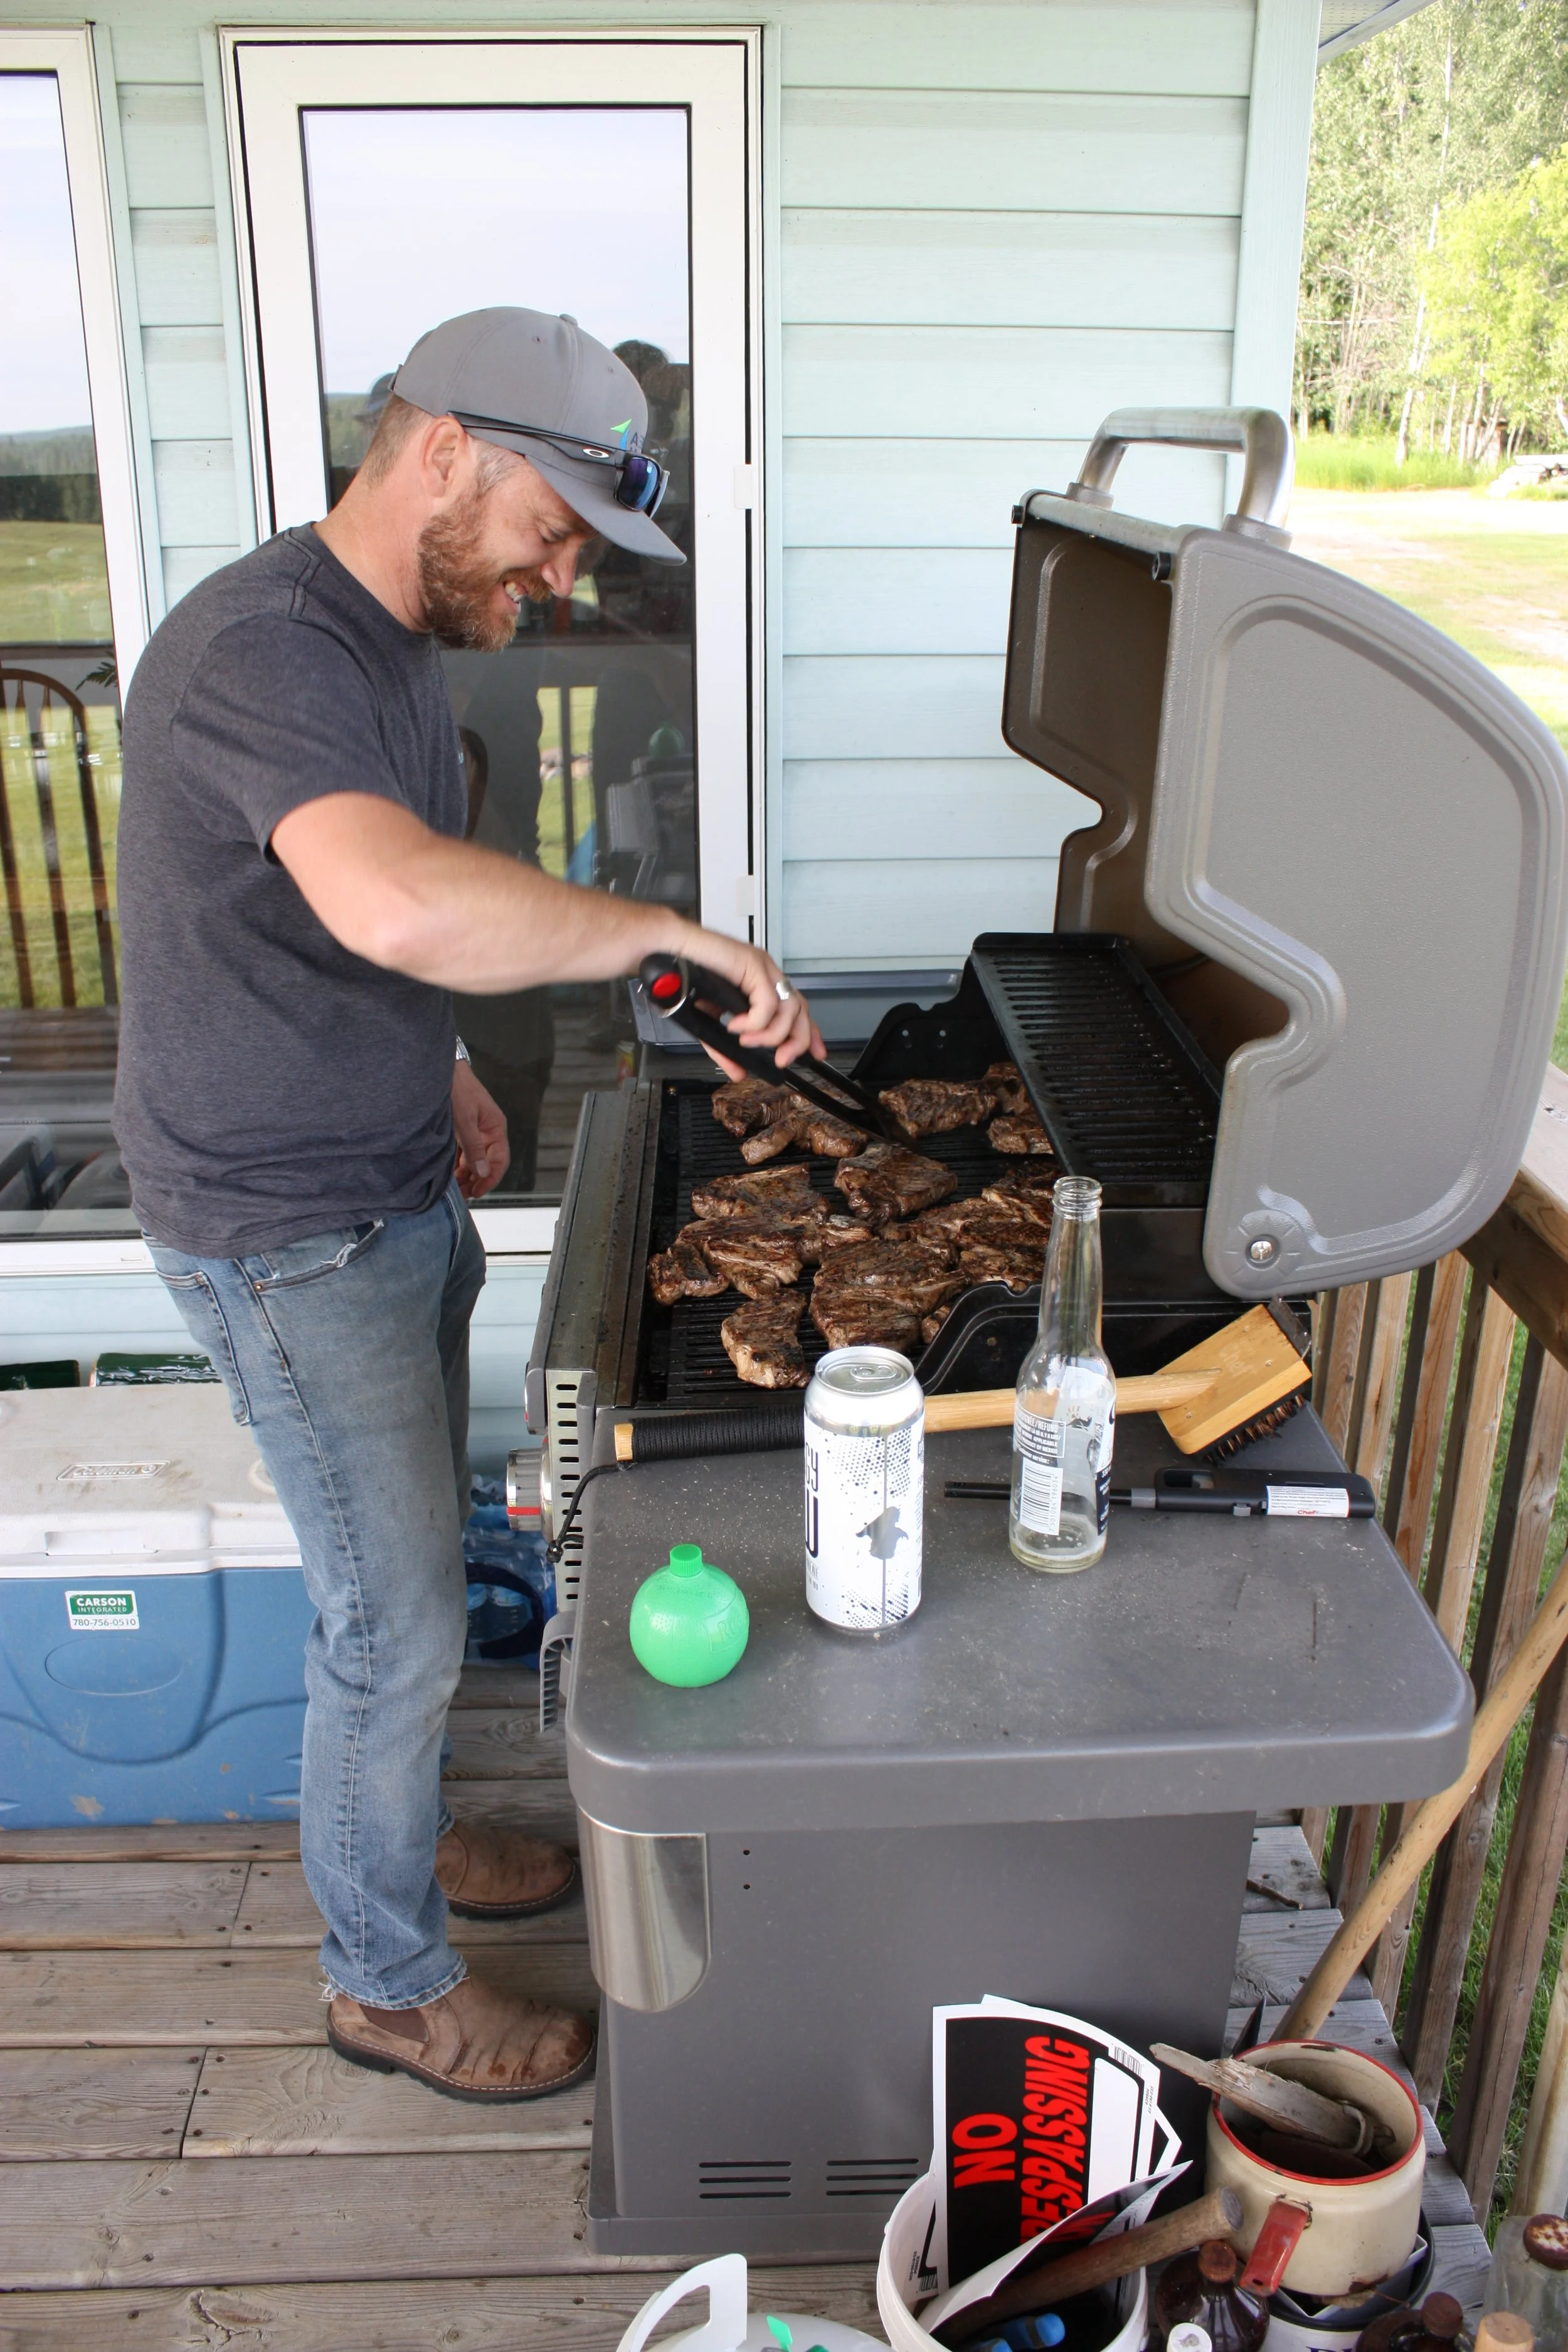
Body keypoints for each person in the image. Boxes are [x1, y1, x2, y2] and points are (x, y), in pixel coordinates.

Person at [112, 307, 818, 2103]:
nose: (565, 577)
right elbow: (401, 902)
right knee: (394, 1616)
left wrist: (435, 1067)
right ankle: (385, 1982)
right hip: (283, 1229)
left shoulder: (388, 648)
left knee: (413, 1556)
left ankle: (402, 1829)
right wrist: (667, 931)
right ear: (444, 454)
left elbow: (351, 902)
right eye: (554, 527)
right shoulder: (263, 648)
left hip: (380, 1178)